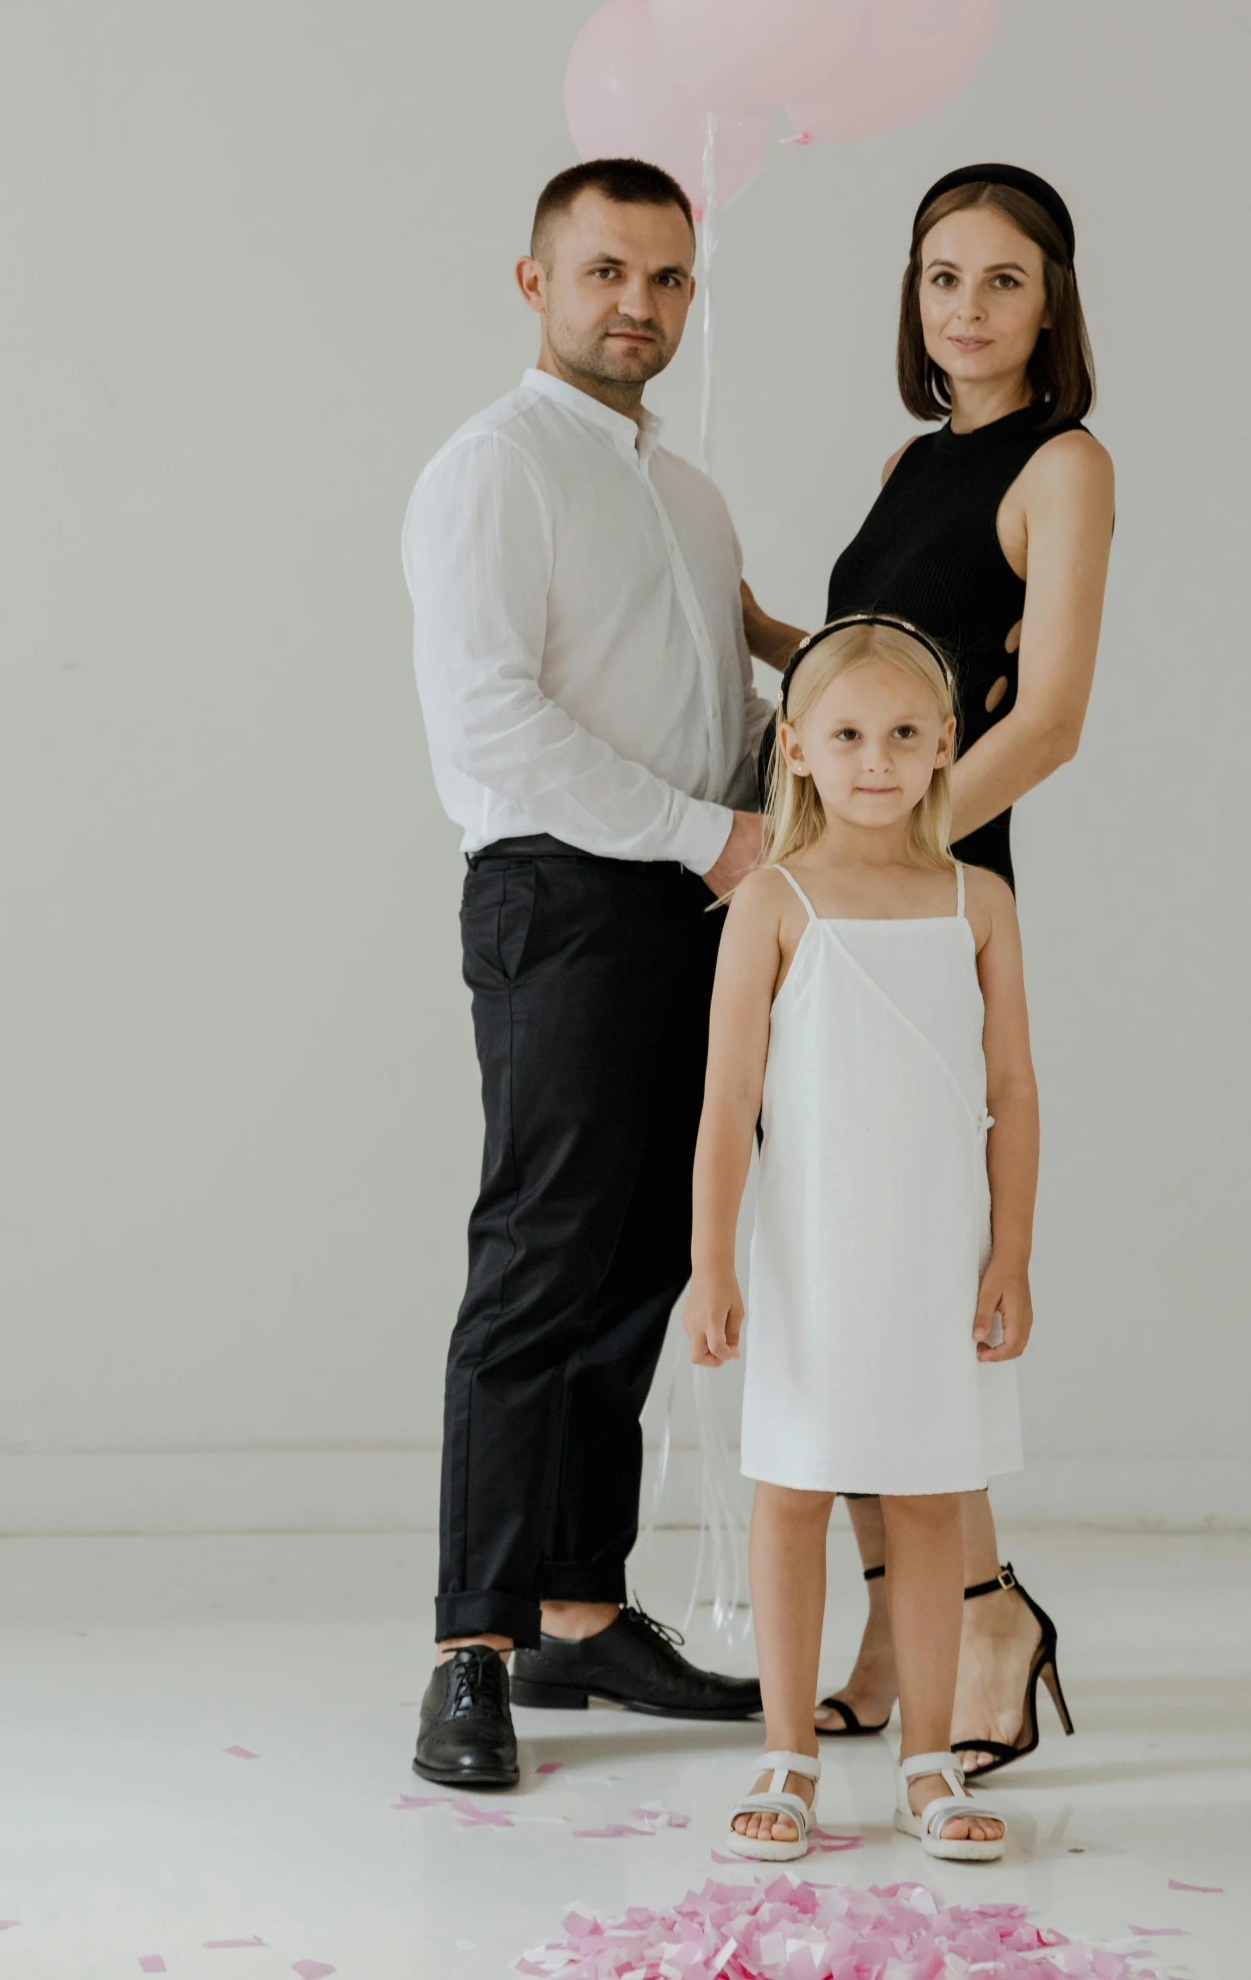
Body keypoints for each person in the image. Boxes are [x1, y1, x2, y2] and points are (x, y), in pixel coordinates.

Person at [401, 157, 770, 1792]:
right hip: (564, 902)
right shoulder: (490, 471)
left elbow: (707, 712)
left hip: (698, 908)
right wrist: (708, 837)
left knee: (636, 1269)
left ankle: (576, 1606)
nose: (641, 304)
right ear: (532, 281)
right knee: (537, 1272)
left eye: (669, 279)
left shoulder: (686, 496)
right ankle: (468, 1652)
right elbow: (490, 721)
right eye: (608, 270)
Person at [741, 164, 1112, 1773]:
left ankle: (986, 1611)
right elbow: (876, 667)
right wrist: (763, 638)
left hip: (931, 885)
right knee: (834, 1256)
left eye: (1000, 280)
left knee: (909, 1268)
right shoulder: (909, 457)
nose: (963, 307)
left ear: (1051, 303)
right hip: (834, 881)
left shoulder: (1066, 465)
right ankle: (901, 1637)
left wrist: (892, 835)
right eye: (939, 276)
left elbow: (1048, 714)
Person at [684, 616, 1059, 1861]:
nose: (878, 759)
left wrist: (1008, 1255)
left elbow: (1011, 1085)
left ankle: (929, 1756)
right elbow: (728, 1100)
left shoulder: (976, 901)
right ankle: (787, 1749)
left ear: (947, 742)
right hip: (809, 1255)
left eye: (905, 733)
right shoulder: (771, 903)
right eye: (847, 735)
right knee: (791, 1490)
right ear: (795, 750)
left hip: (930, 1255)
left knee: (928, 1493)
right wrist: (712, 1260)